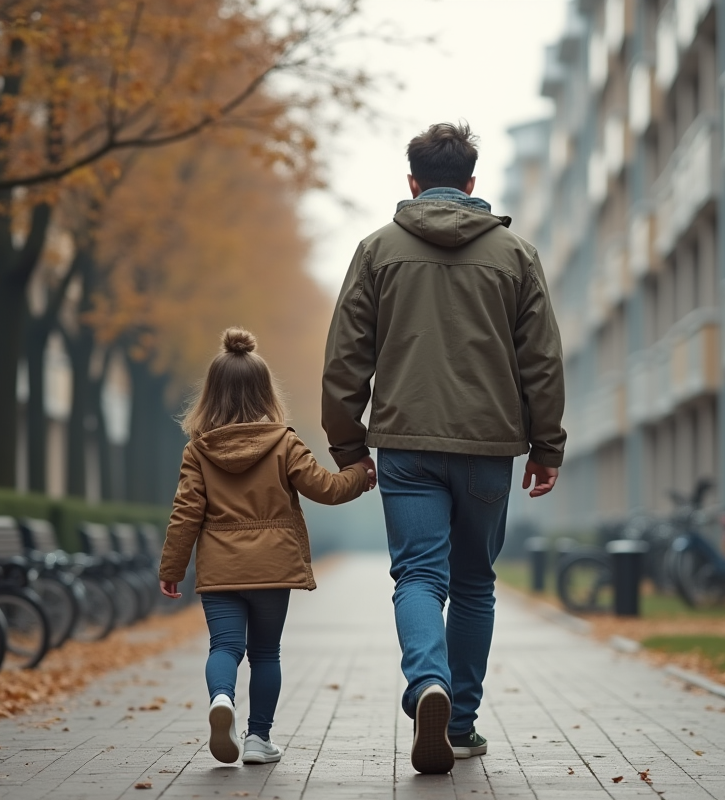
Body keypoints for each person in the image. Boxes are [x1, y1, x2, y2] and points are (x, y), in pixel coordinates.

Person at [322, 122, 566, 774]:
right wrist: (547, 446)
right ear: (471, 184)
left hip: (406, 443)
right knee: (475, 584)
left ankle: (425, 682)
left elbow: (346, 358)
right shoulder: (515, 255)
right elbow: (541, 360)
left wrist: (348, 446)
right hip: (489, 446)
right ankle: (459, 723)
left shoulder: (377, 251)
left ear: (412, 183)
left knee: (419, 577)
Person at [159, 327, 376, 766]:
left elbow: (185, 512)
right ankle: (259, 740)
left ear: (211, 394)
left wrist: (172, 567)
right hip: (273, 566)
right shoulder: (284, 442)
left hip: (221, 569)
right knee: (264, 654)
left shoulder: (197, 452)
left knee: (224, 647)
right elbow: (325, 488)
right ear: (265, 392)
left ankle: (222, 700)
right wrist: (360, 474)